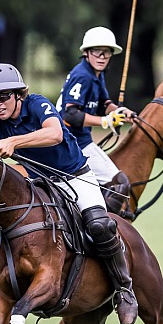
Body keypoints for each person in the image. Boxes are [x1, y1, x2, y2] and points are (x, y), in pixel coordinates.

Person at [0, 40, 138, 324]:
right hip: (39, 182)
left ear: (17, 95)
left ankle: (124, 289)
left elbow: (54, 134)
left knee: (101, 225)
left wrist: (15, 141)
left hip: (75, 175)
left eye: (4, 96)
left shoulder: (37, 104)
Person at [57, 26, 136, 214]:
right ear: (86, 53)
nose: (101, 57)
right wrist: (105, 122)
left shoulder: (96, 75)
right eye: (97, 52)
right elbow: (70, 115)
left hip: (82, 140)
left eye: (106, 53)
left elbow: (104, 103)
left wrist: (121, 112)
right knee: (120, 183)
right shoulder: (82, 76)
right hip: (73, 143)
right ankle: (105, 226)